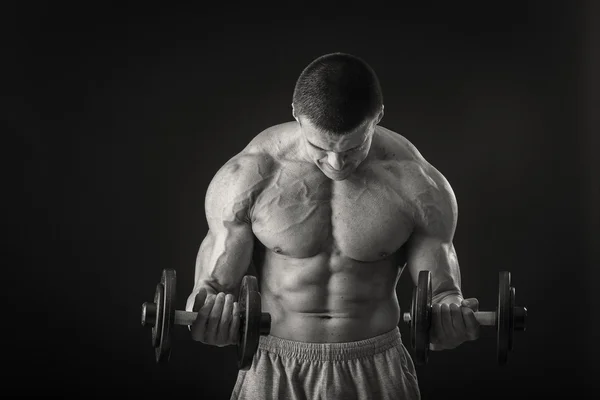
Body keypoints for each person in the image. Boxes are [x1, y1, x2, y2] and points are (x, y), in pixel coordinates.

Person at [185, 52, 480, 400]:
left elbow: (442, 293)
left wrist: (448, 319)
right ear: (297, 114)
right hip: (274, 364)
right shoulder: (248, 177)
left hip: (376, 366)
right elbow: (211, 287)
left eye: (354, 147)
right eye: (319, 147)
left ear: (378, 117)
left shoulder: (419, 185)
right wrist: (205, 316)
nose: (337, 162)